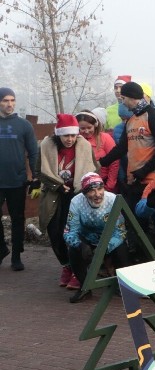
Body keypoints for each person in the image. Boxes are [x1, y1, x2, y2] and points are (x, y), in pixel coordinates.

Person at [37, 114, 99, 290]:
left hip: (77, 195)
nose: (70, 139)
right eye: (66, 136)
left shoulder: (84, 146)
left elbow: (95, 168)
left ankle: (78, 272)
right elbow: (38, 171)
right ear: (59, 135)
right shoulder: (46, 145)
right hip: (54, 195)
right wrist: (55, 185)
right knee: (55, 232)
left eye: (73, 135)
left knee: (74, 232)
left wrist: (85, 186)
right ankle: (67, 265)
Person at [99, 81, 155, 210]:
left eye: (123, 98)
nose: (122, 102)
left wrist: (143, 171)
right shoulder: (131, 120)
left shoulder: (153, 115)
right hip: (134, 179)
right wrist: (101, 162)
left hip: (152, 180)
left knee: (149, 221)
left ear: (131, 97)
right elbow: (121, 148)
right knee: (134, 220)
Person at [63, 172, 130, 303]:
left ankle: (123, 285)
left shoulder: (113, 200)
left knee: (122, 249)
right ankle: (84, 287)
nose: (97, 194)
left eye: (100, 189)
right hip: (87, 239)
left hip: (110, 239)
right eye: (92, 191)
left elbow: (120, 232)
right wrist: (80, 245)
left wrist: (105, 247)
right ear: (84, 193)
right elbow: (69, 232)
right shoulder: (76, 202)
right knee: (73, 250)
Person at [0, 88, 38, 271]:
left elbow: (33, 152)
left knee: (17, 218)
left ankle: (16, 257)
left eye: (12, 100)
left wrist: (36, 175)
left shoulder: (24, 125)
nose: (9, 104)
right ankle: (2, 249)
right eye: (5, 100)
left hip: (16, 180)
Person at [76, 111, 118, 192]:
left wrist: (109, 185)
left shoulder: (105, 138)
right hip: (82, 185)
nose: (86, 131)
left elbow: (114, 162)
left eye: (89, 127)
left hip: (103, 182)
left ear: (95, 125)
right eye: (83, 128)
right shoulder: (75, 141)